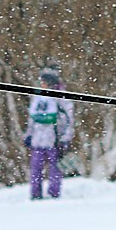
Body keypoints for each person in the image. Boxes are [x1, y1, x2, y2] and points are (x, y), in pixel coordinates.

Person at [22, 64, 75, 201]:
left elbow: (69, 120)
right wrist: (28, 135)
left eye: (44, 82)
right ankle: (35, 193)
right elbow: (32, 119)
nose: (42, 84)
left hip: (54, 140)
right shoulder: (39, 97)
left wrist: (65, 138)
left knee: (54, 168)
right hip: (37, 140)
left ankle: (54, 193)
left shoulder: (61, 98)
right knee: (36, 169)